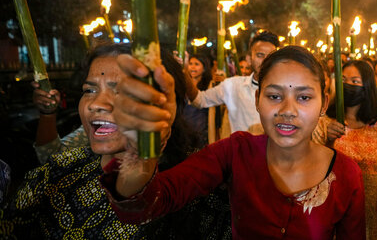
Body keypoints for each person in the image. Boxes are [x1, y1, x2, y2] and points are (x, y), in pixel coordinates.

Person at [99, 46, 365, 239]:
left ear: (324, 104)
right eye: (274, 96)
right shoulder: (236, 151)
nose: (288, 110)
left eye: (304, 98)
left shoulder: (347, 174)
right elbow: (149, 204)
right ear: (258, 99)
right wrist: (142, 154)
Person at [1, 44, 229, 239]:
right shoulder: (59, 171)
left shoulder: (200, 186)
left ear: (165, 104)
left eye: (122, 91)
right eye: (89, 90)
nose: (95, 104)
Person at [312, 60, 377, 240]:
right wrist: (328, 142)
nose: (348, 85)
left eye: (355, 81)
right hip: (335, 212)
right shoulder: (324, 124)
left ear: (367, 86)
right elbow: (313, 170)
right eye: (343, 79)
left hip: (372, 213)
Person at [185, 31, 280, 133]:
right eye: (260, 55)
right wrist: (184, 72)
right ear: (249, 58)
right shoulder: (233, 85)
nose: (265, 61)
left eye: (270, 56)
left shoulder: (285, 90)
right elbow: (199, 100)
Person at [184, 54, 213, 145]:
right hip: (184, 130)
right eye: (190, 63)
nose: (192, 67)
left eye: (196, 64)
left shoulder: (209, 86)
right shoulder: (183, 84)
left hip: (200, 130)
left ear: (204, 68)